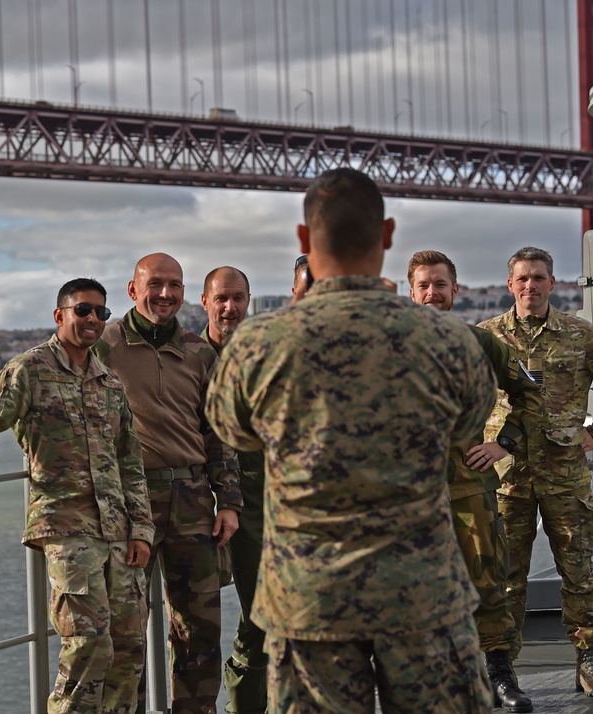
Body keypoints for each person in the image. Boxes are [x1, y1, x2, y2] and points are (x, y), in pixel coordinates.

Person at [205, 167, 496, 713]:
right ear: (386, 236)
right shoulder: (449, 340)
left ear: (303, 239)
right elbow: (465, 427)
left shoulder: (258, 345)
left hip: (309, 601)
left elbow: (235, 434)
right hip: (422, 593)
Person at [0, 278, 155, 714]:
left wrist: (142, 530)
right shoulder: (29, 370)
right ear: (60, 315)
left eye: (101, 313)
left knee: (129, 645)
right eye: (83, 310)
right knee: (86, 641)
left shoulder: (109, 382)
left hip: (118, 532)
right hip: (67, 527)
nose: (93, 319)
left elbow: (131, 463)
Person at [479, 246, 593, 697]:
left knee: (578, 570)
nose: (531, 286)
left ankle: (588, 659)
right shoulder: (487, 337)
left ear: (553, 283)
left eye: (539, 278)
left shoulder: (580, 336)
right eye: (523, 278)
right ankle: (504, 668)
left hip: (565, 472)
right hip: (508, 476)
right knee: (507, 576)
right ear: (511, 285)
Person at [92, 253, 242, 714]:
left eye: (174, 285)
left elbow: (219, 433)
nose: (165, 294)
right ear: (132, 290)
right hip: (126, 505)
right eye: (154, 284)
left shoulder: (199, 353)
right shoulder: (102, 345)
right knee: (126, 629)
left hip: (193, 500)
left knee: (198, 631)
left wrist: (229, 501)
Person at [408, 250, 537, 713]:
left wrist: (505, 442)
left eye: (440, 285)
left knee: (487, 580)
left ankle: (499, 675)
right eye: (423, 285)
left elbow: (528, 394)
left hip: (468, 485)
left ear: (454, 291)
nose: (431, 293)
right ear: (411, 291)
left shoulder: (481, 345)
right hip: (410, 495)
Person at [200, 266, 266, 714]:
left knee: (262, 615)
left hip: (263, 505)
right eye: (222, 298)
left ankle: (243, 706)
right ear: (205, 301)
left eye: (239, 298)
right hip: (195, 504)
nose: (230, 307)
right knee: (193, 626)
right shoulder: (184, 356)